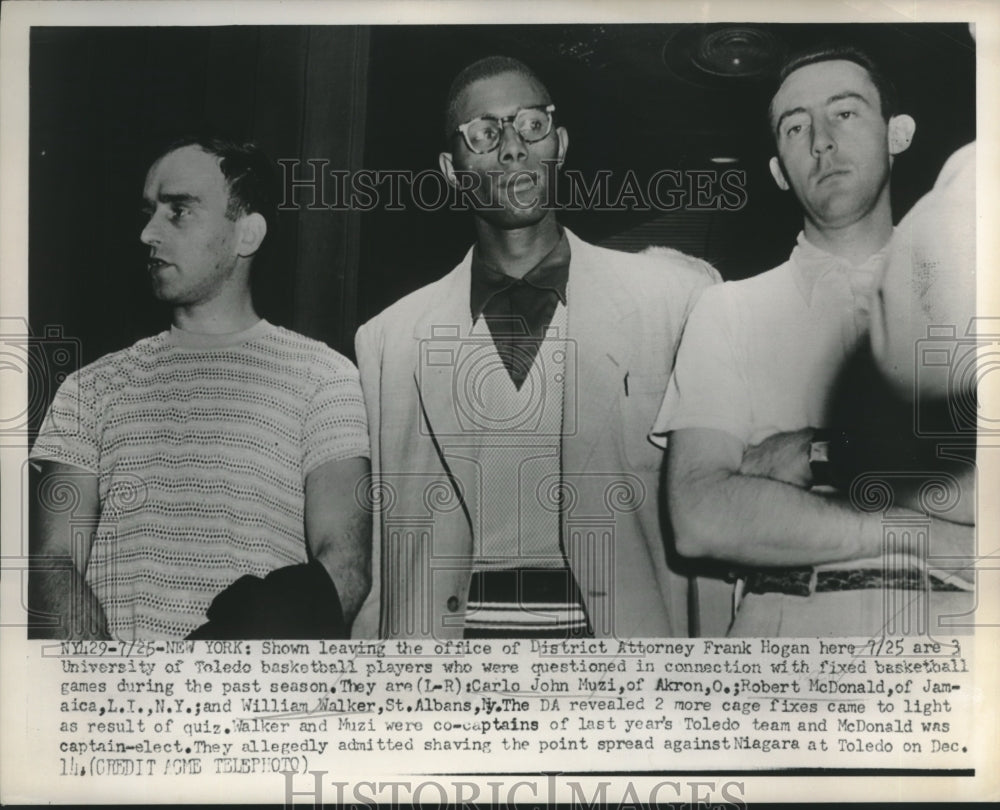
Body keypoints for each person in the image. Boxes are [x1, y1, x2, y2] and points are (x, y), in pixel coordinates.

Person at [353, 56, 718, 639]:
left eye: (531, 125)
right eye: (484, 133)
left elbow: (713, 530)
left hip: (624, 656)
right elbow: (383, 564)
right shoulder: (389, 340)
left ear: (560, 145)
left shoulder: (676, 301)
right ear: (451, 168)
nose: (513, 148)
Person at [653, 46, 975, 637]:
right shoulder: (728, 310)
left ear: (897, 134)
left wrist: (803, 458)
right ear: (779, 169)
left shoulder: (975, 288)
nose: (821, 141)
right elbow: (700, 517)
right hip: (788, 627)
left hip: (959, 628)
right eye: (795, 127)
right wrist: (919, 528)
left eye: (845, 113)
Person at [29, 137, 372, 640]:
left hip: (250, 703)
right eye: (149, 212)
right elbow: (53, 561)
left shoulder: (326, 378)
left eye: (179, 211)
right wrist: (109, 689)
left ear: (246, 234)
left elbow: (345, 565)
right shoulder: (91, 388)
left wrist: (218, 676)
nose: (148, 233)